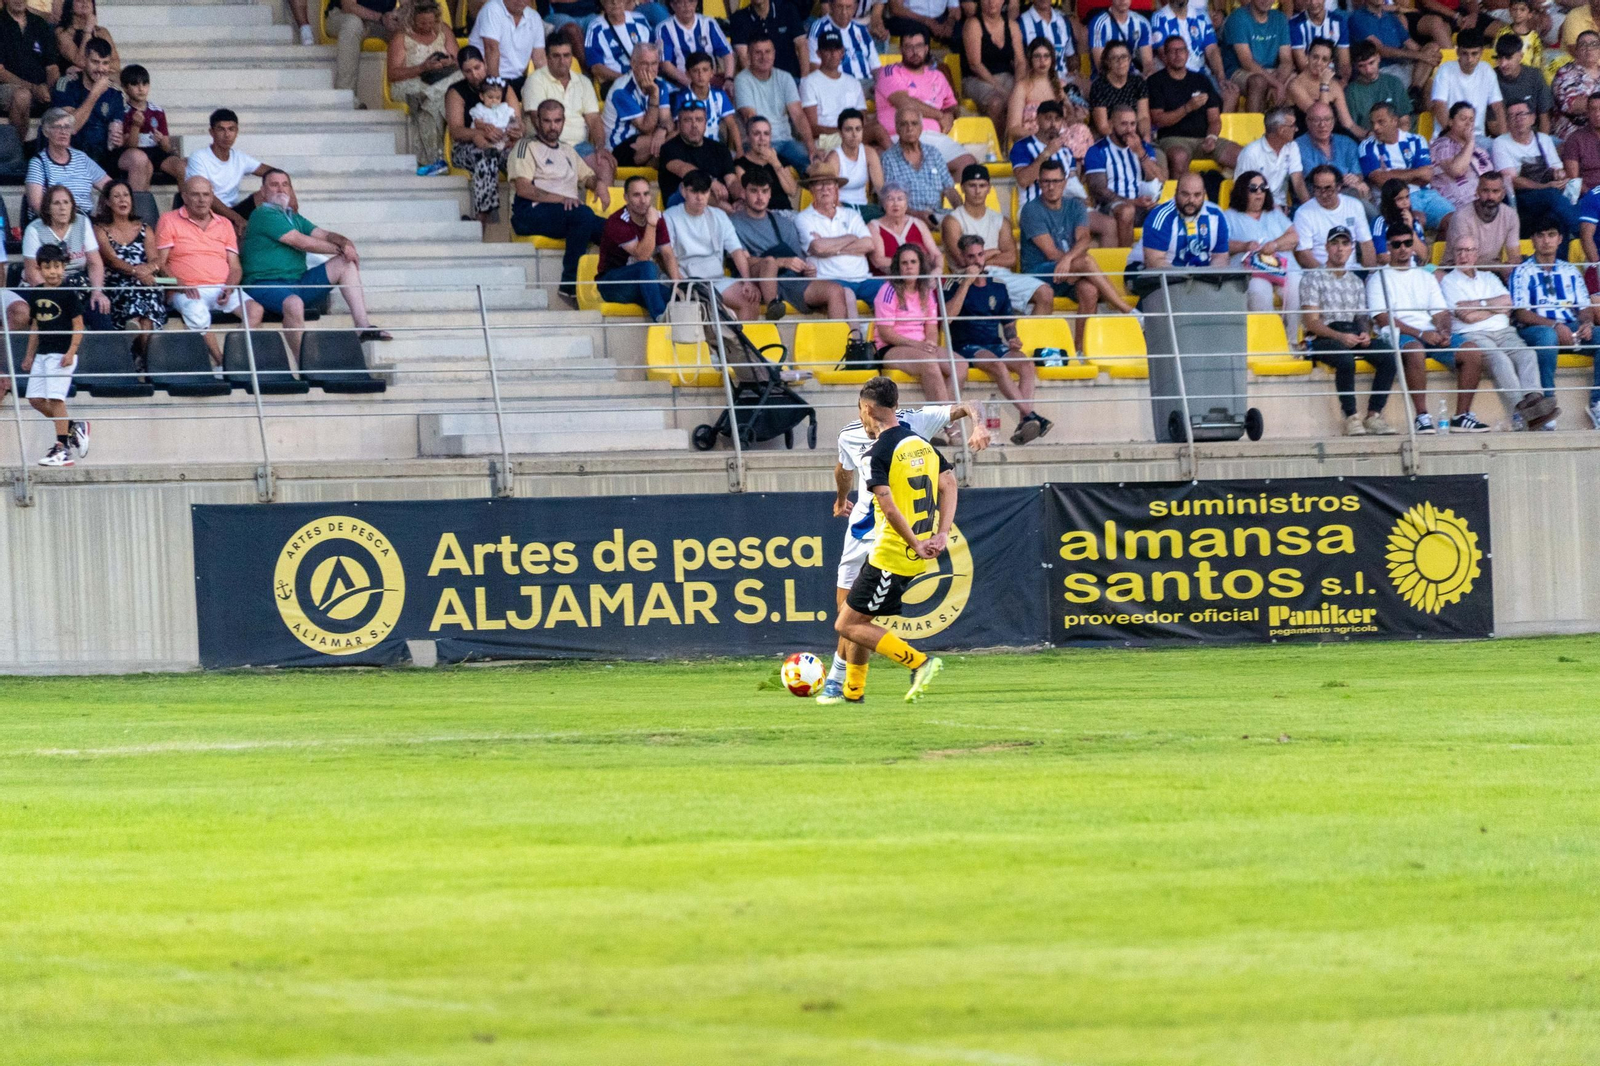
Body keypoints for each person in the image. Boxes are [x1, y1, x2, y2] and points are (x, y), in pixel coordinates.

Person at [818, 392, 985, 703]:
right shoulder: (879, 437)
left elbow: (968, 404)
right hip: (865, 533)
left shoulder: (904, 432)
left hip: (894, 538)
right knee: (852, 615)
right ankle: (849, 690)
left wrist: (979, 425)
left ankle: (846, 682)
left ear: (867, 407)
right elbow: (844, 470)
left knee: (852, 621)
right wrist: (841, 499)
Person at [242, 169, 388, 361]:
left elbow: (325, 235)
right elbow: (301, 242)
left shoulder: (293, 217)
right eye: (274, 184)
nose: (280, 189)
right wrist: (341, 249)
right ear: (262, 191)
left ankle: (362, 328)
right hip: (264, 284)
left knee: (345, 264)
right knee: (294, 303)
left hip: (299, 282)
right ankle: (305, 364)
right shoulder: (263, 214)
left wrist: (344, 242)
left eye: (285, 184)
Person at [1367, 224, 1487, 434]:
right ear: (1389, 247)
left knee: (1472, 351)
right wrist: (1422, 334)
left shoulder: (1425, 276)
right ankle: (1422, 416)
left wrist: (1444, 332)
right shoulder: (1378, 278)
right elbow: (1383, 318)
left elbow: (1441, 312)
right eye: (1397, 244)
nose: (1403, 248)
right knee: (1415, 350)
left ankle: (1461, 416)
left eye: (1407, 243)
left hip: (1429, 332)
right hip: (1399, 334)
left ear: (1413, 245)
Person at [1442, 232, 1558, 430]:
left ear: (1476, 253)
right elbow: (1466, 317)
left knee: (1527, 355)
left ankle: (1536, 406)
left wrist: (1478, 305)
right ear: (1453, 253)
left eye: (1469, 250)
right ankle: (1522, 412)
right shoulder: (1448, 281)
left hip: (1504, 332)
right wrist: (1492, 309)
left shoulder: (1489, 278)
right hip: (1473, 334)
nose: (1464, 255)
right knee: (1500, 360)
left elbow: (1508, 304)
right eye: (1459, 250)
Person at [1020, 157, 1136, 352]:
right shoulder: (1031, 210)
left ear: (1064, 182)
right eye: (1046, 181)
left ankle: (1079, 350)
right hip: (1039, 274)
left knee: (1090, 291)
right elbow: (1050, 253)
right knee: (1087, 261)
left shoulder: (1075, 206)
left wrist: (1069, 262)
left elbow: (1084, 239)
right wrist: (1074, 265)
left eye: (1056, 181)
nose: (1051, 187)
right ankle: (1125, 310)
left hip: (1068, 270)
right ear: (1039, 183)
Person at [945, 234, 1051, 443]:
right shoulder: (952, 284)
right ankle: (1031, 415)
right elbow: (946, 319)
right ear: (962, 259)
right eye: (971, 257)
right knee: (998, 366)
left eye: (980, 255)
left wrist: (1013, 339)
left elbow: (1008, 324)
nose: (977, 260)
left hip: (994, 343)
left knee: (1026, 364)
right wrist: (966, 283)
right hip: (966, 345)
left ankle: (1025, 420)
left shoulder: (998, 284)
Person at [153, 176, 264, 367]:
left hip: (222, 287)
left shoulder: (224, 223)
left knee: (256, 310)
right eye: (195, 195)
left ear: (212, 197)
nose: (201, 199)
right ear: (185, 197)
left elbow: (235, 267)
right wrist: (178, 283)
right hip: (187, 289)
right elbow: (160, 264)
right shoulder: (168, 220)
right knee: (196, 312)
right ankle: (222, 360)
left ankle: (233, 353)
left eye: (206, 194)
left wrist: (229, 287)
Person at [1300, 226, 1396, 435]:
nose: (1340, 249)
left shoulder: (1355, 281)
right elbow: (1311, 323)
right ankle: (1351, 417)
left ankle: (1374, 415)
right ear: (1326, 247)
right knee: (1344, 360)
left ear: (1352, 248)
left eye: (1345, 244)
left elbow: (1361, 317)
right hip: (1323, 336)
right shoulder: (1313, 277)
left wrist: (1364, 334)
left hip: (1350, 332)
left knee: (1388, 356)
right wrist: (1340, 336)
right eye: (1335, 243)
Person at [510, 99, 609, 301]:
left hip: (566, 211)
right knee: (583, 215)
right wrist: (562, 199)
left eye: (557, 121)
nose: (553, 126)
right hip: (531, 211)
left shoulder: (567, 150)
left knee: (612, 230)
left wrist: (598, 184)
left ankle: (611, 284)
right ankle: (570, 283)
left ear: (564, 121)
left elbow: (587, 176)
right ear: (537, 120)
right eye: (547, 121)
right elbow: (523, 188)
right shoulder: (525, 146)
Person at [732, 170, 855, 323]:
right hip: (755, 277)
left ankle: (839, 342)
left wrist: (807, 269)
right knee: (769, 262)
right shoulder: (733, 223)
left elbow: (798, 258)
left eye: (764, 191)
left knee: (835, 290)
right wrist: (780, 262)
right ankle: (773, 306)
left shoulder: (782, 222)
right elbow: (742, 262)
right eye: (753, 191)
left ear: (770, 194)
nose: (760, 197)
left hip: (788, 278)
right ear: (743, 193)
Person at [1511, 220, 1595, 424]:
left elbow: (1584, 307)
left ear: (1559, 239)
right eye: (1540, 235)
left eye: (1551, 235)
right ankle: (1546, 406)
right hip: (1535, 330)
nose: (1546, 240)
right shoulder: (1522, 271)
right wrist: (1554, 326)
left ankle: (1597, 405)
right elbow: (1521, 313)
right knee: (1547, 337)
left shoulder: (1570, 271)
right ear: (1532, 240)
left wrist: (1586, 324)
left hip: (1570, 328)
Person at [941, 163, 1052, 315]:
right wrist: (993, 252)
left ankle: (1029, 338)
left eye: (982, 185)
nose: (978, 191)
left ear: (989, 188)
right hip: (967, 278)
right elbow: (962, 261)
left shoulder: (1000, 220)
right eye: (972, 185)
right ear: (962, 188)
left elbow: (1011, 258)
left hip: (1001, 277)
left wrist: (981, 258)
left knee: (1045, 293)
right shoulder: (953, 221)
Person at [875, 29, 975, 179]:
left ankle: (949, 202)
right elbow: (904, 103)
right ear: (901, 49)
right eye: (909, 47)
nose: (915, 51)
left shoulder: (937, 76)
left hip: (934, 137)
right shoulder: (890, 71)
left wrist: (950, 114)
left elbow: (951, 104)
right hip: (900, 137)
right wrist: (940, 115)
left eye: (919, 46)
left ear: (927, 48)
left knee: (968, 164)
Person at [663, 169, 761, 320]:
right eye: (694, 191)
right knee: (715, 308)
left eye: (704, 192)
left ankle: (742, 344)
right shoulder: (669, 216)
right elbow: (666, 254)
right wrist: (679, 283)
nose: (699, 197)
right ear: (683, 191)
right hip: (687, 280)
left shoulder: (719, 216)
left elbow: (736, 251)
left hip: (717, 278)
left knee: (751, 298)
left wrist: (747, 281)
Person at [794, 171, 886, 332]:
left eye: (829, 184)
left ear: (836, 188)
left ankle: (884, 342)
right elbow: (817, 248)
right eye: (819, 184)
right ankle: (845, 344)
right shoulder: (804, 218)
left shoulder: (851, 214)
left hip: (863, 279)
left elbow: (868, 244)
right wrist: (851, 237)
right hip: (831, 280)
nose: (825, 189)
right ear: (811, 189)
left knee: (891, 290)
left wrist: (832, 248)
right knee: (840, 294)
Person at [20, 245, 86, 467]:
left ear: (64, 267)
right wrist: (29, 356)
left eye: (57, 267)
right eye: (48, 267)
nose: (53, 272)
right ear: (39, 268)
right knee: (36, 400)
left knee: (56, 399)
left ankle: (62, 447)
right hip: (42, 354)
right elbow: (36, 326)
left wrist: (71, 352)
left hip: (61, 354)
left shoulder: (68, 294)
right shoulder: (36, 293)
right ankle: (73, 427)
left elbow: (79, 326)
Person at [873, 244, 962, 400]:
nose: (909, 267)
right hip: (892, 348)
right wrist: (919, 346)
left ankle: (942, 417)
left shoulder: (926, 291)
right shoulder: (888, 290)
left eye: (913, 262)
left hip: (921, 346)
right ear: (898, 267)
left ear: (920, 266)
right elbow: (885, 333)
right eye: (904, 263)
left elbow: (932, 327)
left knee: (960, 365)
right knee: (929, 361)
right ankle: (946, 420)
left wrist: (931, 344)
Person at [21, 182, 112, 333]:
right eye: (56, 203)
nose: (62, 207)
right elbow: (33, 274)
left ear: (72, 206)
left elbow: (95, 263)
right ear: (48, 208)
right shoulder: (34, 229)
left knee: (99, 306)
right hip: (45, 287)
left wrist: (97, 291)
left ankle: (107, 353)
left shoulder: (82, 223)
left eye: (66, 202)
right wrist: (57, 296)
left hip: (79, 286)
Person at [526, 36, 614, 191]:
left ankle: (602, 215)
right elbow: (536, 119)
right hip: (548, 145)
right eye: (556, 56)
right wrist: (557, 150)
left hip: (580, 147)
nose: (562, 61)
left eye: (566, 56)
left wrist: (600, 146)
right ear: (547, 58)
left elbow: (594, 120)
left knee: (605, 165)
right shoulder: (535, 80)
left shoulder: (584, 82)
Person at [448, 46, 523, 225]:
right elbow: (456, 130)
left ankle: (522, 211)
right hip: (468, 147)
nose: (474, 74)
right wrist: (477, 133)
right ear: (462, 72)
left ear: (485, 64)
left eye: (477, 67)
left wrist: (513, 133)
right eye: (468, 71)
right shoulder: (456, 91)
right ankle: (483, 217)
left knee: (520, 159)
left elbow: (517, 121)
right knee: (486, 158)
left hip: (502, 143)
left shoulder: (503, 86)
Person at [385, 0, 461, 175]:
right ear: (413, 20)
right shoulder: (401, 37)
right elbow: (393, 74)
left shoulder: (444, 31)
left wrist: (448, 62)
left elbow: (459, 60)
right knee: (434, 99)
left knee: (451, 87)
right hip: (410, 81)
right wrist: (422, 68)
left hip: (441, 81)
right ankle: (433, 158)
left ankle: (445, 155)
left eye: (430, 22)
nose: (427, 27)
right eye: (422, 23)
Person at [1148, 34, 1237, 176]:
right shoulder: (1155, 81)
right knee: (1179, 157)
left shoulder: (1201, 79)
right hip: (1173, 139)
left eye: (1182, 50)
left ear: (1188, 53)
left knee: (1244, 156)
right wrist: (1187, 108)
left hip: (1204, 139)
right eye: (1173, 51)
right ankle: (1181, 197)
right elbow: (1158, 120)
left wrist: (1212, 138)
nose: (1178, 55)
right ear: (1164, 56)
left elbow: (1214, 119)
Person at [184, 108, 281, 237]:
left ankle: (283, 231)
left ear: (237, 132)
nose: (227, 134)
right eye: (221, 129)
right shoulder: (199, 157)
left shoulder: (240, 158)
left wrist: (289, 194)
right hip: (208, 211)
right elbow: (205, 196)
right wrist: (237, 218)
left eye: (231, 129)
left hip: (234, 210)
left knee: (272, 189)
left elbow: (274, 173)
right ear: (211, 132)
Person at [1358, 102, 1453, 231]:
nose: (1375, 127)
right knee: (1417, 219)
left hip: (1426, 194)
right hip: (1394, 200)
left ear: (1394, 121)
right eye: (1373, 123)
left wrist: (1391, 174)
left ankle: (1439, 251)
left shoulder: (1416, 140)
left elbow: (1426, 176)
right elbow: (1380, 180)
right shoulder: (1367, 146)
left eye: (1381, 122)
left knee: (1455, 221)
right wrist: (1415, 173)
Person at [1494, 99, 1578, 244]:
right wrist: (1545, 187)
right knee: (1553, 197)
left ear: (1533, 118)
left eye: (1522, 114)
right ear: (1507, 121)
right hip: (1520, 197)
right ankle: (1583, 233)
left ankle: (1559, 261)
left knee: (1556, 215)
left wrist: (1559, 175)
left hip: (1546, 194)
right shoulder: (1501, 143)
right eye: (1512, 116)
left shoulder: (1544, 140)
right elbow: (1512, 181)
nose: (1518, 119)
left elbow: (1557, 168)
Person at [93, 179, 166, 341]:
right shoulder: (100, 229)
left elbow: (155, 258)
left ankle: (135, 337)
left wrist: (148, 269)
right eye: (117, 196)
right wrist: (135, 271)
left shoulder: (144, 228)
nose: (122, 200)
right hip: (119, 283)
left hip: (146, 281)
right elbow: (111, 259)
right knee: (139, 306)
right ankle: (146, 359)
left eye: (126, 195)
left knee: (146, 320)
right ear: (108, 202)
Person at [1084, 102, 1167, 246]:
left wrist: (1140, 153)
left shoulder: (1143, 148)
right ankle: (1126, 263)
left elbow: (1161, 179)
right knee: (1127, 211)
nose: (1129, 130)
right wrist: (1132, 202)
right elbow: (1098, 190)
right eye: (1123, 124)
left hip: (1141, 206)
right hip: (1110, 207)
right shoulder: (1097, 150)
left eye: (1132, 124)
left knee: (1167, 212)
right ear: (1111, 125)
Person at [597, 174, 677, 320]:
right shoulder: (617, 221)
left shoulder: (658, 218)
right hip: (611, 284)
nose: (643, 200)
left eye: (646, 194)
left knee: (676, 298)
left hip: (641, 283)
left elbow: (667, 254)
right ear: (626, 198)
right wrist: (651, 224)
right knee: (646, 267)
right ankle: (660, 318)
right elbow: (642, 256)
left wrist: (677, 286)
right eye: (636, 195)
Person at [1224, 169, 1300, 318]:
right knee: (1259, 291)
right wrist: (1244, 246)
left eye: (1263, 188)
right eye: (1253, 189)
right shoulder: (1228, 216)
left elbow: (1294, 237)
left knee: (1296, 287)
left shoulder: (1274, 213)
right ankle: (1268, 338)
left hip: (1284, 268)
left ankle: (1292, 340)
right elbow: (1221, 246)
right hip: (1252, 272)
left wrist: (1275, 245)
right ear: (1242, 191)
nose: (1259, 192)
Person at [734, 34, 812, 173]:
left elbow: (798, 115)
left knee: (814, 165)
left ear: (774, 54)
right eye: (758, 52)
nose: (764, 57)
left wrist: (812, 147)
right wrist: (769, 152)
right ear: (749, 55)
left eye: (768, 52)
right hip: (759, 143)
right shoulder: (742, 79)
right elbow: (751, 118)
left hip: (786, 142)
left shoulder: (785, 77)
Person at [49, 36, 123, 174]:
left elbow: (117, 132)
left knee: (136, 159)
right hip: (72, 153)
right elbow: (71, 128)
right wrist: (95, 93)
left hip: (104, 156)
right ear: (84, 61)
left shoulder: (115, 93)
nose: (100, 68)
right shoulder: (66, 85)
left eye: (105, 63)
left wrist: (119, 138)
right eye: (95, 62)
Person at [880, 106, 959, 225]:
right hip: (905, 217)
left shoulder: (933, 153)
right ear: (897, 128)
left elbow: (949, 189)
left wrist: (962, 213)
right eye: (904, 124)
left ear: (921, 127)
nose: (910, 128)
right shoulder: (888, 158)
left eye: (914, 123)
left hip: (936, 214)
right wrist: (917, 215)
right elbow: (889, 199)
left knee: (959, 223)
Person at [24, 106, 107, 217]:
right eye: (57, 127)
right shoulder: (38, 163)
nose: (63, 132)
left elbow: (110, 187)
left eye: (67, 127)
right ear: (46, 132)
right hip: (53, 221)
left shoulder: (82, 158)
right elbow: (36, 204)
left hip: (84, 221)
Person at [1151, 0, 1233, 109]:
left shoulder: (1202, 16)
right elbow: (1163, 53)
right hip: (1175, 76)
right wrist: (1187, 79)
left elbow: (1212, 50)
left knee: (1230, 93)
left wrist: (1221, 77)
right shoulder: (1159, 17)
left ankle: (1220, 126)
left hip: (1202, 75)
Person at [1347, 1, 1435, 101]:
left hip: (1403, 65)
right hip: (1380, 70)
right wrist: (1420, 56)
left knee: (1433, 47)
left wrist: (1429, 54)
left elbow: (1411, 44)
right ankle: (1414, 94)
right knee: (1429, 84)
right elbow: (1380, 50)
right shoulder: (1357, 18)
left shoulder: (1391, 17)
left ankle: (1414, 91)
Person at [1295, 162, 1378, 269]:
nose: (1324, 194)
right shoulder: (1303, 213)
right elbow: (1303, 253)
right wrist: (1327, 275)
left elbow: (1366, 244)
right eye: (1318, 189)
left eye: (1328, 188)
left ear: (1339, 187)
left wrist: (1370, 274)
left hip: (1351, 272)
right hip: (1319, 274)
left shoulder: (1354, 206)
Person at [1141, 171, 1228, 271]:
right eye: (1185, 194)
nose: (1191, 200)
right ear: (1176, 193)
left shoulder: (1216, 216)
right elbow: (1154, 262)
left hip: (1204, 280)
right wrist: (1188, 278)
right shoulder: (1160, 216)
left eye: (1197, 195)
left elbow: (1220, 257)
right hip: (1167, 280)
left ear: (1204, 194)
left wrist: (1209, 278)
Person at [602, 42, 671, 168]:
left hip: (646, 140)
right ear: (633, 64)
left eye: (654, 63)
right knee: (672, 143)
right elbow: (647, 127)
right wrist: (654, 96)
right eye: (645, 63)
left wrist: (663, 129)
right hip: (619, 146)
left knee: (679, 133)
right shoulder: (621, 90)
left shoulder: (660, 84)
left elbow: (667, 119)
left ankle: (652, 165)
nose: (650, 69)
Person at [801, 29, 869, 156]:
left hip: (851, 135)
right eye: (827, 50)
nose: (833, 54)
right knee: (876, 131)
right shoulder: (809, 82)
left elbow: (862, 118)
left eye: (836, 49)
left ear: (842, 52)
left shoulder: (853, 82)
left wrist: (849, 132)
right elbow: (812, 127)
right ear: (818, 53)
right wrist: (843, 131)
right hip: (825, 139)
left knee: (876, 150)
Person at [1429, 29, 1505, 143]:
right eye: (1465, 53)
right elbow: (1439, 106)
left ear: (1481, 52)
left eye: (1474, 53)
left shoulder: (1487, 70)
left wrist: (1505, 139)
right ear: (1458, 52)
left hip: (1477, 138)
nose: (1470, 59)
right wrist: (1455, 137)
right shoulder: (1445, 70)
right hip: (1447, 137)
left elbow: (1498, 107)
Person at [659, 101, 740, 206]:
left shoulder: (720, 148)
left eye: (699, 120)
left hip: (719, 206)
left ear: (705, 123)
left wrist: (741, 199)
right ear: (679, 124)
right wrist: (711, 182)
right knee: (696, 188)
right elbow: (684, 169)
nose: (694, 125)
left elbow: (732, 181)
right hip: (681, 206)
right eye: (688, 120)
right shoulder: (669, 147)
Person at [0, 0, 60, 141]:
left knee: (66, 95)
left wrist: (49, 89)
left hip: (40, 89)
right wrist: (33, 88)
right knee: (22, 96)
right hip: (6, 88)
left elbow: (52, 67)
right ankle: (16, 152)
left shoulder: (39, 24)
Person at [1010, 99, 1086, 207]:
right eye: (1048, 118)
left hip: (1064, 209)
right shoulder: (1022, 146)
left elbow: (1073, 184)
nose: (1053, 124)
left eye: (1057, 119)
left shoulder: (1066, 151)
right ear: (1037, 119)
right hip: (1033, 208)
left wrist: (1081, 201)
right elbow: (1023, 180)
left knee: (1103, 222)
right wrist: (1047, 153)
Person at [962, 0, 1022, 131]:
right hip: (978, 79)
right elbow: (975, 64)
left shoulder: (1012, 26)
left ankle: (1017, 145)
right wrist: (1000, 88)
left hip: (1007, 77)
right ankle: (998, 147)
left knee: (1024, 98)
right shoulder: (973, 24)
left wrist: (1019, 87)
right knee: (996, 103)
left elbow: (1020, 61)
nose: (991, 2)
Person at [1223, 0, 1292, 114]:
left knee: (1295, 82)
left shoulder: (1280, 19)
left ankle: (1285, 128)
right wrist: (1276, 84)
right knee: (1258, 82)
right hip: (1239, 70)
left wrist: (1276, 84)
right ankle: (1254, 129)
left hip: (1271, 70)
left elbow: (1287, 61)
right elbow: (1247, 62)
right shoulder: (1238, 18)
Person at [1442, 168, 1521, 267]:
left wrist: (1512, 267)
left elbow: (1514, 255)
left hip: (1493, 270)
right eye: (1485, 191)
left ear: (1503, 193)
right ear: (1477, 191)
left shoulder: (1510, 215)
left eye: (1495, 191)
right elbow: (1465, 259)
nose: (1490, 197)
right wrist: (1500, 268)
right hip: (1457, 269)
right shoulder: (1462, 216)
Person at [468, 0, 544, 99]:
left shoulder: (534, 17)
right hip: (486, 80)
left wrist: (547, 86)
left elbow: (540, 59)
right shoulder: (492, 8)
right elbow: (491, 50)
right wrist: (495, 87)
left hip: (517, 80)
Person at [1287, 38, 1359, 140]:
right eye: (1315, 57)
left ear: (1330, 62)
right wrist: (1324, 85)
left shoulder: (1334, 85)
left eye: (1324, 59)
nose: (1319, 62)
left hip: (1331, 134)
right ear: (1308, 56)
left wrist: (1367, 134)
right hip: (1305, 137)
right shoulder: (1295, 85)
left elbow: (1348, 124)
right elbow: (1320, 116)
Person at [1235, 107, 1307, 208]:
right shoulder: (1251, 153)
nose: (1296, 129)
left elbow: (1298, 181)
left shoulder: (1292, 146)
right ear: (1281, 130)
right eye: (1293, 126)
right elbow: (1243, 192)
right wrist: (1272, 208)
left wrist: (1310, 207)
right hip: (1255, 210)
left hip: (1282, 209)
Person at [1430, 100, 1493, 212]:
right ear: (1450, 122)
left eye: (1471, 120)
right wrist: (1469, 143)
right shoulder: (1442, 145)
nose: (1468, 124)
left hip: (1485, 202)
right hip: (1459, 207)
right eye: (1463, 119)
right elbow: (1456, 171)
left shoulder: (1478, 149)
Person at [1295, 101, 1367, 200]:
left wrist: (1356, 180)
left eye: (1327, 119)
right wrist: (1343, 180)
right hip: (1317, 196)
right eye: (1316, 120)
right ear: (1307, 122)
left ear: (1333, 121)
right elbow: (1314, 179)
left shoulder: (1347, 142)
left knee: (1362, 189)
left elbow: (1357, 173)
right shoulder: (1298, 146)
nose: (1322, 125)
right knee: (1355, 194)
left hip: (1349, 190)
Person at [1006, 35, 1071, 144]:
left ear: (1052, 60)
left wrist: (1067, 102)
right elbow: (1013, 128)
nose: (1042, 61)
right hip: (1032, 142)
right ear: (1030, 59)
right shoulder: (1022, 87)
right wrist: (1039, 136)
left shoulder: (1059, 85)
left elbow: (1069, 120)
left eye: (1046, 56)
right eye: (1037, 56)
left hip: (1059, 140)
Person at [818, 108, 882, 216]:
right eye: (848, 130)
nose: (854, 134)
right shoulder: (834, 158)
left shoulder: (869, 153)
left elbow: (881, 188)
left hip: (864, 207)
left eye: (858, 129)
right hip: (842, 208)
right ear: (840, 133)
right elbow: (830, 196)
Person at [329, 0, 403, 94]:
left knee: (407, 27)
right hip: (344, 16)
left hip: (380, 22)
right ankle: (345, 93)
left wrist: (397, 15)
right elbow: (349, 7)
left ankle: (403, 95)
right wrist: (381, 18)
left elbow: (408, 5)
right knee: (353, 24)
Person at [654, 0, 733, 87]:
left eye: (691, 1)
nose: (687, 6)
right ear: (672, 5)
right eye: (681, 2)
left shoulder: (708, 23)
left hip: (710, 80)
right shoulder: (664, 28)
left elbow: (727, 53)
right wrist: (692, 84)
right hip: (681, 84)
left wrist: (729, 79)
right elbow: (665, 64)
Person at [671, 51, 739, 152]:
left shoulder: (719, 95)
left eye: (705, 70)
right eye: (695, 71)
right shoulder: (681, 97)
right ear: (688, 74)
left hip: (715, 146)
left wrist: (740, 150)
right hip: (690, 148)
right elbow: (679, 129)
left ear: (712, 72)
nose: (700, 75)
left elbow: (732, 125)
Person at [868, 182, 941, 275]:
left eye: (900, 199)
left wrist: (937, 269)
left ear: (907, 203)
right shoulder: (874, 227)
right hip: (889, 279)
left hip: (921, 278)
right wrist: (911, 268)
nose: (895, 203)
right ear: (883, 203)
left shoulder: (918, 224)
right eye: (890, 199)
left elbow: (936, 254)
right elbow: (878, 260)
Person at [803, 0, 881, 87]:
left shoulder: (862, 30)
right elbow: (814, 67)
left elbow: (876, 67)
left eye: (848, 7)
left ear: (855, 8)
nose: (844, 12)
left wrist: (879, 86)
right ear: (831, 6)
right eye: (839, 7)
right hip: (838, 86)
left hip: (867, 84)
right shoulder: (819, 29)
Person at [1345, 39, 1413, 136]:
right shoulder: (1352, 91)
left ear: (1378, 58)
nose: (1368, 70)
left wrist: (1395, 140)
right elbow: (1352, 127)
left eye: (1371, 63)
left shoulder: (1393, 82)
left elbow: (1404, 120)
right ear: (1355, 67)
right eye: (1362, 66)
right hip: (1368, 141)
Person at [1088, 39, 1150, 141]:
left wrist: (1145, 137)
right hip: (1110, 139)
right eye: (1114, 58)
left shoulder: (1138, 83)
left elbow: (1143, 117)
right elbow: (1103, 127)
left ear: (1130, 60)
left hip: (1135, 136)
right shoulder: (1099, 86)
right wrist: (1124, 141)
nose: (1120, 62)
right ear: (1107, 62)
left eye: (1124, 57)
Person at [584, 0, 652, 92]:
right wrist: (626, 79)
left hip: (646, 79)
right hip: (616, 82)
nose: (615, 2)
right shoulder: (595, 27)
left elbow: (654, 51)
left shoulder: (640, 19)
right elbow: (596, 68)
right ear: (603, 2)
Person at [736, 116, 799, 211]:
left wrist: (775, 163)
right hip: (760, 214)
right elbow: (745, 197)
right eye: (756, 134)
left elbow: (792, 191)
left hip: (785, 212)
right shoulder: (740, 165)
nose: (762, 138)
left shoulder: (779, 160)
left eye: (766, 134)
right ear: (748, 137)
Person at [1021, 0, 1088, 89]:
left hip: (1064, 80)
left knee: (1090, 88)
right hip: (1037, 83)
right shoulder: (1021, 23)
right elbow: (1019, 62)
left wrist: (1075, 72)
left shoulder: (1063, 21)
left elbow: (1070, 56)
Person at [730, 0, 805, 80]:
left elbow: (802, 45)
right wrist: (757, 84)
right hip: (759, 81)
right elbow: (743, 57)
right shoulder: (739, 18)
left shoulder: (788, 9)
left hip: (791, 78)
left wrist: (804, 80)